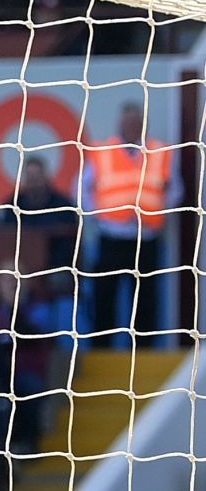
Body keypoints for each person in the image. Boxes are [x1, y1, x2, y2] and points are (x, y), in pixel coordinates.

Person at [80, 102, 177, 348]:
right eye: (128, 121)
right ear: (120, 123)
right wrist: (100, 214)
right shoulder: (103, 151)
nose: (133, 126)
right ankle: (102, 350)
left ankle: (144, 353)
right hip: (112, 236)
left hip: (147, 238)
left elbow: (176, 190)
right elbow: (81, 188)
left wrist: (156, 211)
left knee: (146, 298)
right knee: (105, 296)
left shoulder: (159, 152)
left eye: (137, 122)